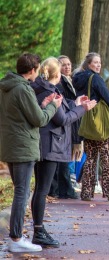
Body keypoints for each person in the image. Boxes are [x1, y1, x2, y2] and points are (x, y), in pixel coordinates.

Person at [31, 57, 96, 248]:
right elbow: (63, 119)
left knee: (40, 189)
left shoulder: (40, 88)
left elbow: (62, 106)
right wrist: (82, 109)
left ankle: (38, 228)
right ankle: (38, 230)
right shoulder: (49, 91)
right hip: (50, 144)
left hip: (43, 143)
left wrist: (75, 101)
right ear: (57, 74)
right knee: (42, 190)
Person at [0, 53, 62, 252]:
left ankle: (17, 236)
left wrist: (42, 105)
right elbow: (40, 120)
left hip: (10, 144)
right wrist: (53, 106)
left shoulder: (6, 87)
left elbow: (23, 114)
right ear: (33, 70)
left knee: (21, 189)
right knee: (22, 192)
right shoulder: (23, 89)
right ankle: (16, 239)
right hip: (24, 146)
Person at [73, 52, 109, 202]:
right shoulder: (96, 79)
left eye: (100, 62)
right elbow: (106, 96)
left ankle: (86, 193)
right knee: (105, 158)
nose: (98, 65)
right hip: (100, 125)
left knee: (90, 159)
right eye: (95, 62)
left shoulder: (77, 79)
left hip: (87, 122)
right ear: (88, 64)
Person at [48, 55, 83, 199]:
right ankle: (61, 189)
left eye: (69, 64)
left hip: (70, 124)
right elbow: (64, 105)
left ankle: (63, 188)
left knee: (66, 160)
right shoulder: (59, 84)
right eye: (63, 65)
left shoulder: (70, 81)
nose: (67, 67)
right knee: (62, 160)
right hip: (64, 124)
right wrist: (75, 104)